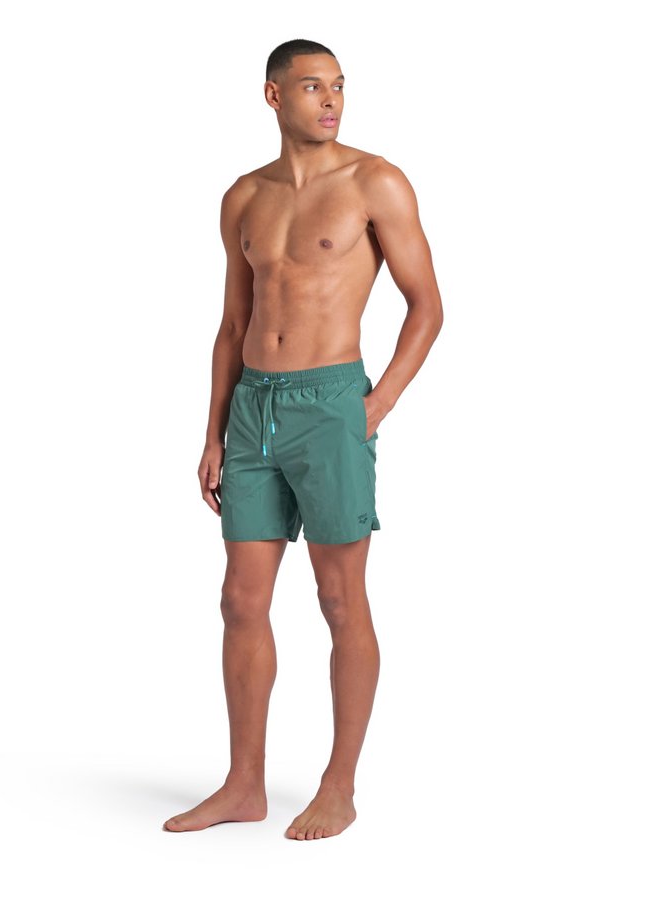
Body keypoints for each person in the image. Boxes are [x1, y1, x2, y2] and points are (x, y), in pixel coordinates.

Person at [163, 38, 443, 840]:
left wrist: (374, 404)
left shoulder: (375, 181)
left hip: (332, 403)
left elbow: (427, 306)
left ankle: (339, 785)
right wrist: (213, 431)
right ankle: (243, 784)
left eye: (339, 87)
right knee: (239, 600)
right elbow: (232, 323)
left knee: (339, 598)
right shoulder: (243, 197)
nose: (331, 100)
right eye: (314, 86)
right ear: (273, 95)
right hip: (253, 408)